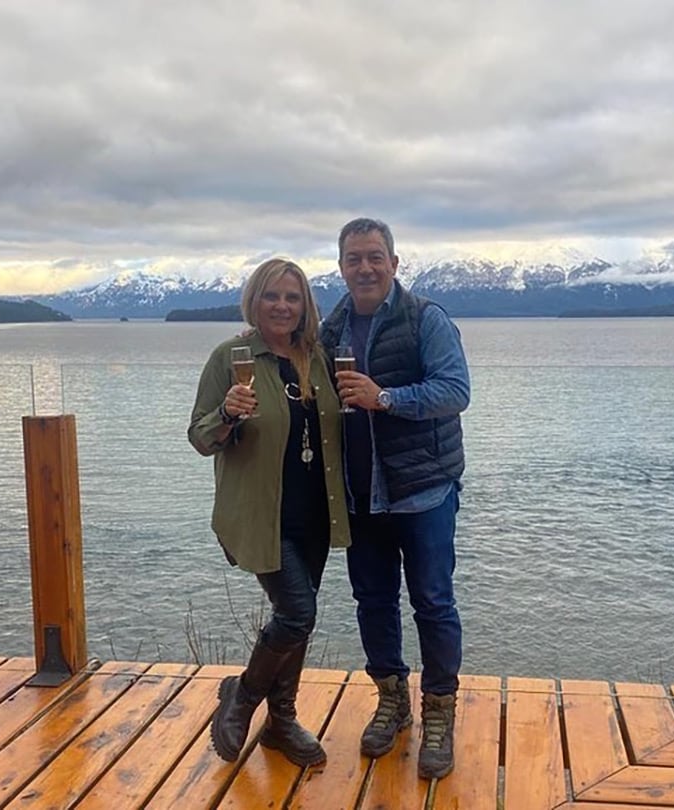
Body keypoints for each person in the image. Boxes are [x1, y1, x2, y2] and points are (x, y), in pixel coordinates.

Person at [320, 217, 471, 780]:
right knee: (373, 602)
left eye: (374, 257)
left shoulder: (426, 317)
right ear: (341, 267)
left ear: (394, 263)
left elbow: (455, 391)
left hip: (423, 490)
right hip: (359, 496)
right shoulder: (330, 328)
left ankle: (439, 712)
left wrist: (383, 397)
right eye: (354, 258)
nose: (364, 267)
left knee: (433, 602)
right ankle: (392, 701)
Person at [188, 257, 350, 766]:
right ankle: (243, 696)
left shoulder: (317, 356)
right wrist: (226, 414)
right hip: (260, 513)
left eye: (292, 297)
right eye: (272, 296)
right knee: (298, 612)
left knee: (296, 618)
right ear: (254, 302)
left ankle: (282, 722)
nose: (282, 306)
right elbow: (199, 437)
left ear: (305, 306)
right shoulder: (230, 356)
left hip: (316, 512)